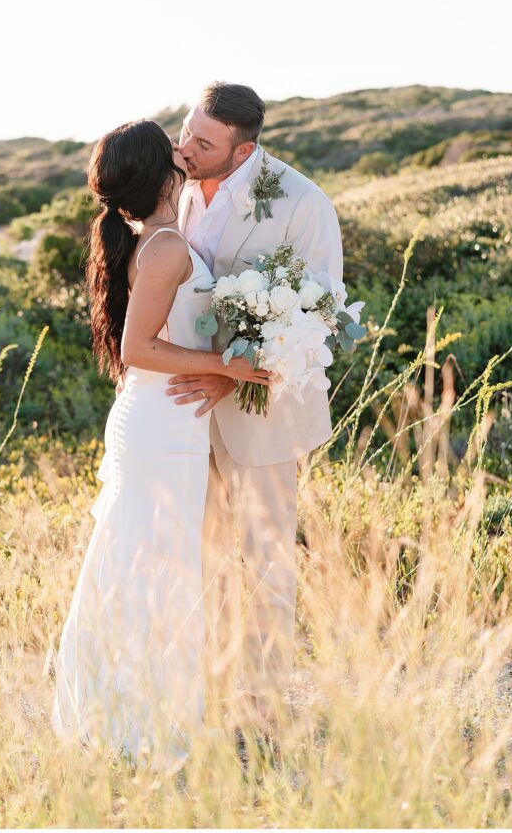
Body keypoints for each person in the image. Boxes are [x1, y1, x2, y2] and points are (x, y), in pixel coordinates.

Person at [50, 119, 269, 769]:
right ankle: (133, 719)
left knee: (161, 563)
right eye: (172, 144)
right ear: (162, 170)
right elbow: (136, 348)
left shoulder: (169, 240)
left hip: (169, 417)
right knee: (151, 564)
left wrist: (225, 375)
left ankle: (149, 709)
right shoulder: (167, 246)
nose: (183, 147)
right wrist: (228, 367)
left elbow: (168, 339)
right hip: (157, 424)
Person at [168, 81, 344, 734]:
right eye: (185, 130)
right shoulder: (181, 185)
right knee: (202, 550)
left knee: (265, 554)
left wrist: (236, 376)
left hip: (262, 413)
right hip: (185, 407)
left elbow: (318, 314)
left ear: (244, 150)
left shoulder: (301, 203)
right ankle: (213, 685)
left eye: (202, 142)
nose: (185, 148)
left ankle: (265, 707)